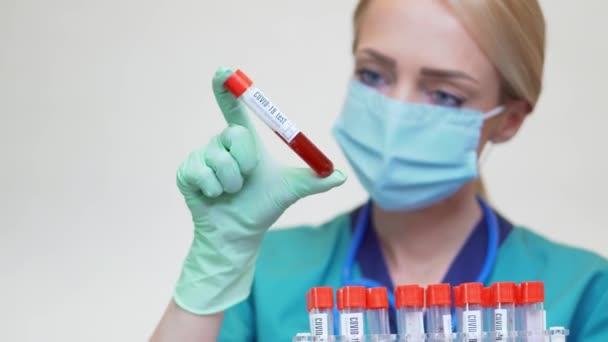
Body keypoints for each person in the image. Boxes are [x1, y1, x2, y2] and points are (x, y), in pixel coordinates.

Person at [151, 1, 608, 341]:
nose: (396, 110)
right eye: (374, 75)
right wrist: (214, 268)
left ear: (508, 120)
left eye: (445, 95)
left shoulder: (585, 292)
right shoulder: (265, 272)